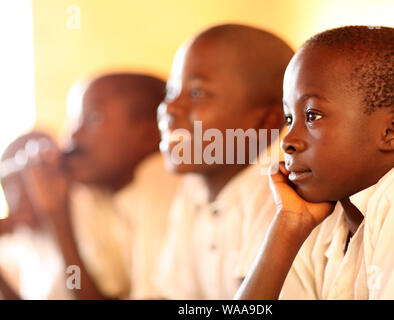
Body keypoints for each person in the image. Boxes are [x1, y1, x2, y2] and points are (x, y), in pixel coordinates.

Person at [235, 25, 394, 300]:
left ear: (392, 131)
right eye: (290, 119)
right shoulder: (322, 223)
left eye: (312, 115)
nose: (288, 141)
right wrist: (287, 225)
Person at [155, 24, 294, 299]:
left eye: (197, 93)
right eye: (171, 91)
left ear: (267, 121)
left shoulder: (277, 198)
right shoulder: (194, 190)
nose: (170, 108)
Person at [22, 73, 180, 299]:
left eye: (93, 118)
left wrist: (58, 218)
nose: (73, 135)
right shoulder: (101, 196)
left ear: (151, 132)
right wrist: (57, 216)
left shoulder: (160, 182)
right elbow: (85, 290)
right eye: (74, 121)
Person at [0, 132, 72, 300]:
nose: (17, 197)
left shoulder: (83, 226)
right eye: (8, 186)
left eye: (25, 180)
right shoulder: (23, 242)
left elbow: (77, 286)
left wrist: (57, 217)